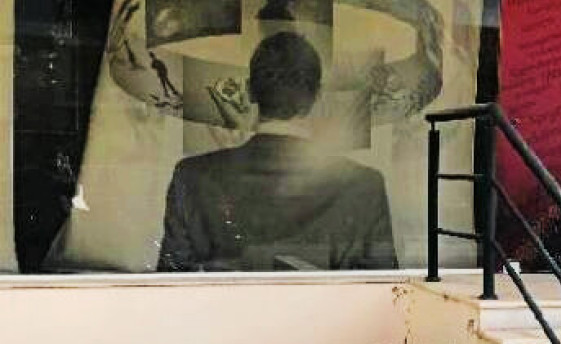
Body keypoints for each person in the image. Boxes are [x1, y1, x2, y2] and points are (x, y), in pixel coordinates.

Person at [158, 31, 397, 271]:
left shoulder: (192, 177)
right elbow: (384, 289)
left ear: (250, 91)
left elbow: (171, 284)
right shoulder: (366, 186)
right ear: (317, 96)